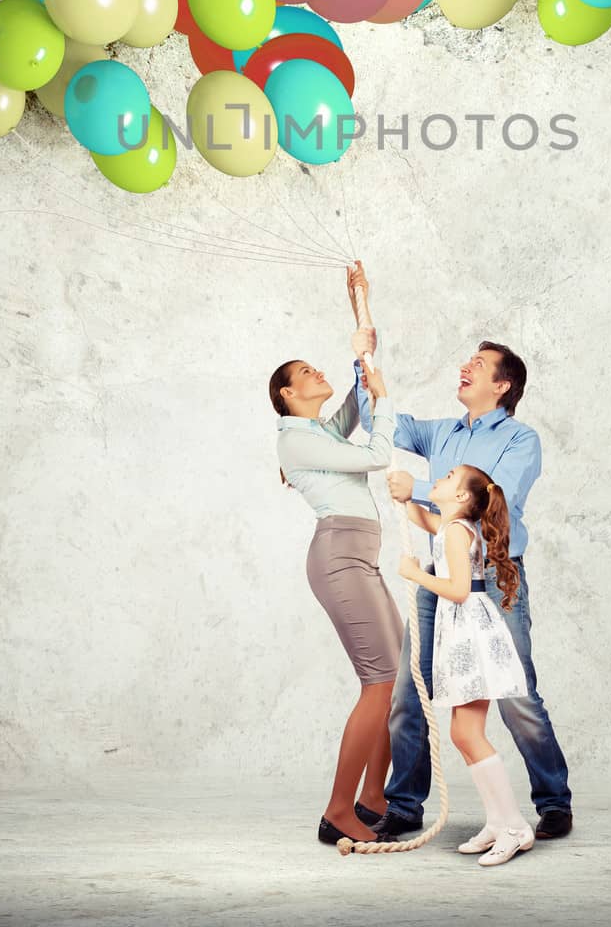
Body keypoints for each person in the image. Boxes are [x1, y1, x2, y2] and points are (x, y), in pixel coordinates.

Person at [371, 341, 575, 843]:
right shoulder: (439, 432)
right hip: (442, 574)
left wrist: (416, 488)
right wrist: (367, 368)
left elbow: (489, 498)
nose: (465, 367)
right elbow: (384, 422)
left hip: (493, 581)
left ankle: (553, 802)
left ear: (502, 386)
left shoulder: (520, 439)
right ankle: (403, 805)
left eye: (479, 365)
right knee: (409, 693)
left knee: (516, 694)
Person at [270, 264, 403, 847]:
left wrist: (361, 320)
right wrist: (385, 400)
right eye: (306, 372)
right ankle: (338, 812)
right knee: (379, 681)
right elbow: (375, 451)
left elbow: (355, 407)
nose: (314, 371)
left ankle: (374, 797)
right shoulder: (295, 437)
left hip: (359, 556)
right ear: (287, 393)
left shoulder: (320, 430)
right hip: (340, 557)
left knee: (392, 683)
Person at [398, 463, 534, 866]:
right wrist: (402, 493)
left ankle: (513, 825)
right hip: (462, 632)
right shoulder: (450, 526)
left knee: (470, 734)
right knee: (462, 733)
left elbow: (458, 590)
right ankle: (496, 821)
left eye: (448, 477)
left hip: (469, 632)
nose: (437, 479)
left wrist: (413, 574)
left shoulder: (457, 532)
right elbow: (418, 514)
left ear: (460, 498)